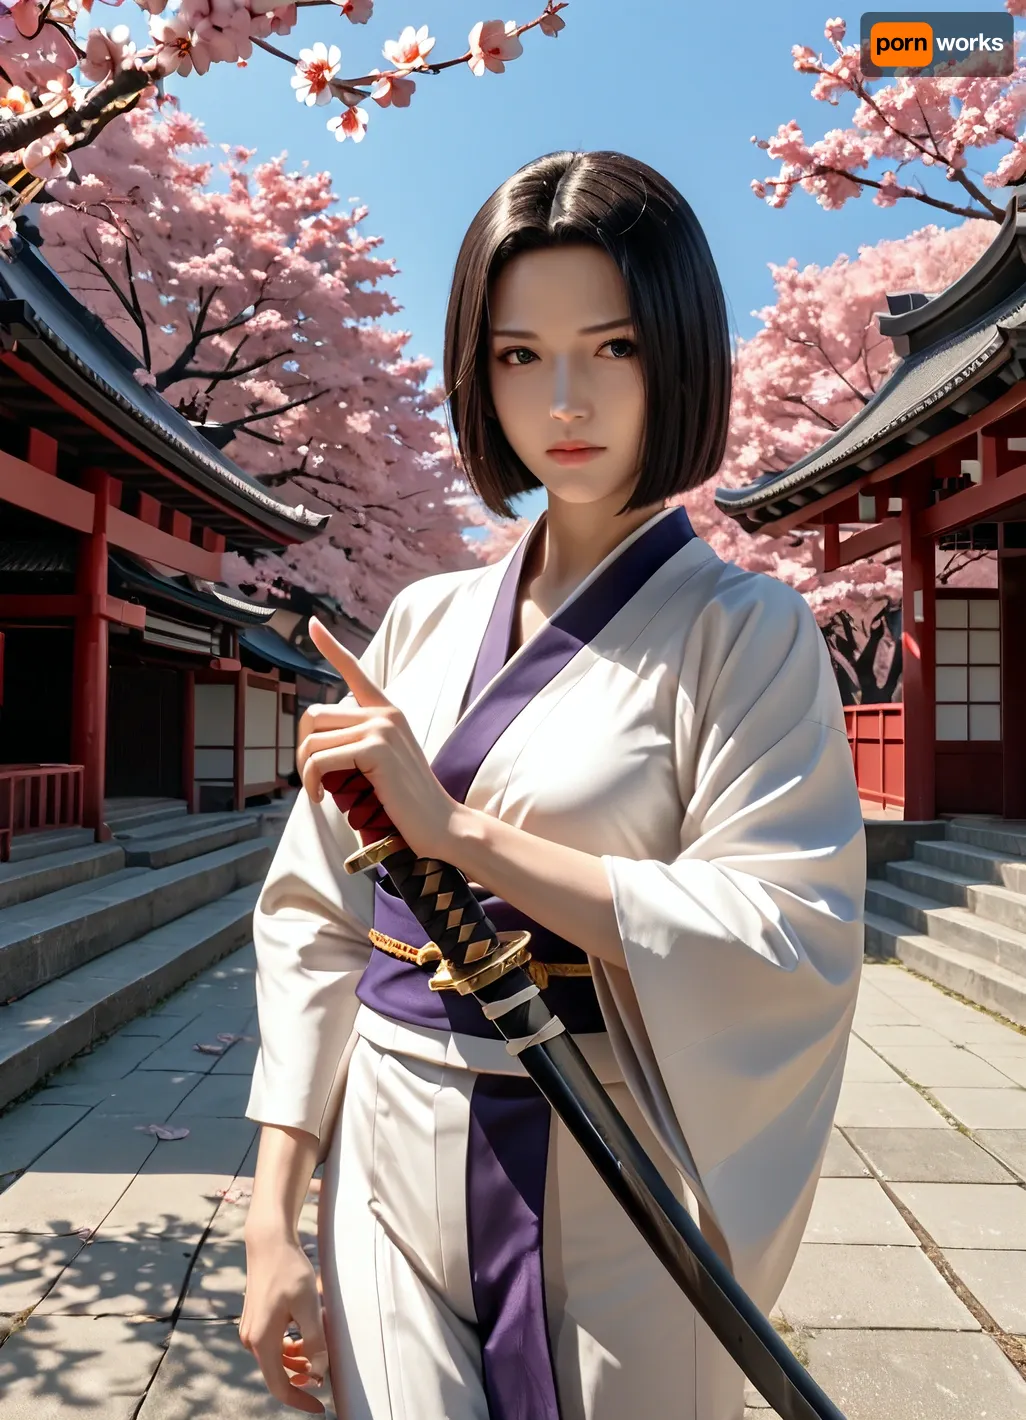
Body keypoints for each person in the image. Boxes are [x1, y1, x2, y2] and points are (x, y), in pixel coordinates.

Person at [239, 150, 866, 1420]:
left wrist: (457, 832)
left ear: (677, 350)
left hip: (610, 1144)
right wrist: (269, 1214)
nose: (563, 398)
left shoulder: (746, 634)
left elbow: (785, 931)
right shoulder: (417, 622)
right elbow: (313, 916)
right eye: (520, 355)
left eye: (614, 346)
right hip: (388, 1129)